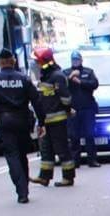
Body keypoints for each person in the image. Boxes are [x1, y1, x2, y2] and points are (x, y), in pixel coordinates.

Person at [0, 48, 45, 203]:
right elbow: (37, 101)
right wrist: (41, 122)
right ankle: (25, 189)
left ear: (0, 63)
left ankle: (21, 190)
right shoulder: (24, 79)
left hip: (5, 122)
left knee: (12, 155)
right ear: (13, 61)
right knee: (22, 155)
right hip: (22, 121)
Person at [28, 46, 75, 188]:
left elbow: (66, 98)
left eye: (38, 61)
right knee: (46, 149)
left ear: (46, 61)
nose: (36, 64)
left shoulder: (57, 76)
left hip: (57, 119)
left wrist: (67, 110)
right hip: (46, 120)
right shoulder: (46, 75)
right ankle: (44, 177)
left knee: (61, 148)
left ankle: (68, 177)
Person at [64, 50, 100, 168]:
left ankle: (92, 160)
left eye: (77, 60)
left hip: (87, 108)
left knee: (89, 134)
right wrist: (70, 78)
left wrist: (80, 81)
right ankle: (75, 161)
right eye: (73, 60)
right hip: (73, 109)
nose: (75, 62)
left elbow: (94, 84)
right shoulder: (66, 72)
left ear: (81, 60)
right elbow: (62, 86)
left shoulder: (88, 72)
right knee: (74, 136)